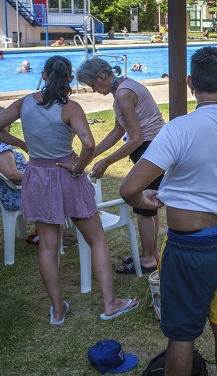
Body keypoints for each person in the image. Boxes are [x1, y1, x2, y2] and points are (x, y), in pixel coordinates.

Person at [119, 46, 217, 376]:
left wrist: (143, 202)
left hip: (188, 247)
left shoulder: (177, 129)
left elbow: (129, 188)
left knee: (181, 337)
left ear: (190, 82)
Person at [0, 55, 138, 324]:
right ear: (69, 79)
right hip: (67, 174)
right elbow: (88, 143)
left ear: (43, 75)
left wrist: (22, 143)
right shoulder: (70, 107)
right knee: (97, 238)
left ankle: (57, 309)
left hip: (37, 176)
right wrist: (79, 167)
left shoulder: (25, 103)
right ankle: (110, 303)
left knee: (47, 246)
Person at [76, 58, 166, 274]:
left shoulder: (124, 94)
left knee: (143, 207)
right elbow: (119, 130)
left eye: (92, 85)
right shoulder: (124, 88)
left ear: (101, 77)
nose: (94, 90)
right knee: (148, 206)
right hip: (154, 148)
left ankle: (146, 260)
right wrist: (92, 154)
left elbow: (134, 138)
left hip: (149, 149)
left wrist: (106, 162)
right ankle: (152, 254)